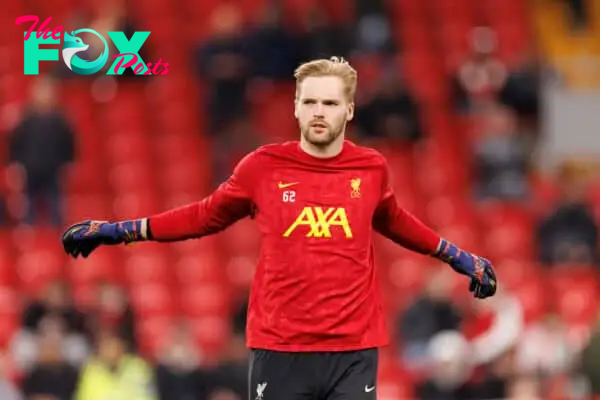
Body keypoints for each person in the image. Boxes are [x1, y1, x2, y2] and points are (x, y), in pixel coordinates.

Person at [61, 57, 497, 400]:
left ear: (348, 108)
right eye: (309, 102)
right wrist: (122, 231)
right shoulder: (263, 167)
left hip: (352, 349)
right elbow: (203, 216)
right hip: (281, 347)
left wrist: (460, 258)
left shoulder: (371, 168)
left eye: (329, 102)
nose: (318, 112)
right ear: (295, 107)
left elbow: (396, 221)